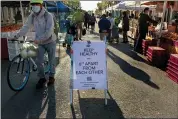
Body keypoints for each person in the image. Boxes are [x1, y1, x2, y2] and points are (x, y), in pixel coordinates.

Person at [13, 0, 57, 89]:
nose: (34, 6)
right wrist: (16, 36)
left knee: (51, 60)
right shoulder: (32, 16)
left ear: (41, 5)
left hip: (50, 41)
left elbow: (49, 31)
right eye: (32, 4)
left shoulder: (48, 15)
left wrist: (38, 39)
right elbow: (26, 27)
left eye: (36, 4)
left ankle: (51, 77)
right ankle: (42, 78)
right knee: (39, 61)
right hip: (40, 43)